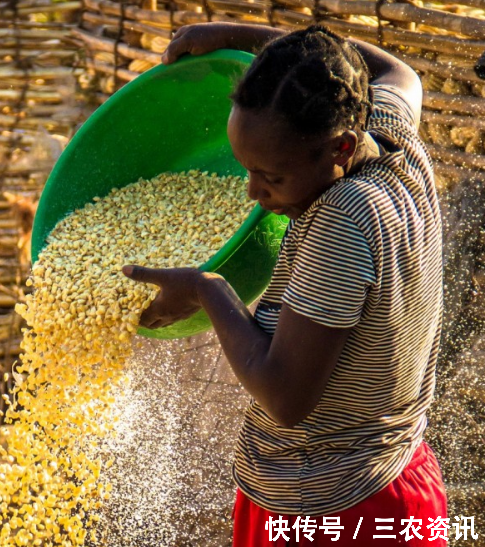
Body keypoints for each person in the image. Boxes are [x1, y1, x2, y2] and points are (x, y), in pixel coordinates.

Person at [122, 23, 448, 546]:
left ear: (339, 147)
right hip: (397, 475)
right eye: (247, 170)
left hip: (333, 510)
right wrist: (236, 36)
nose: (254, 192)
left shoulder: (341, 223)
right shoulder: (393, 140)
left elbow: (285, 396)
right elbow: (394, 71)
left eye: (271, 177)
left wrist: (207, 289)